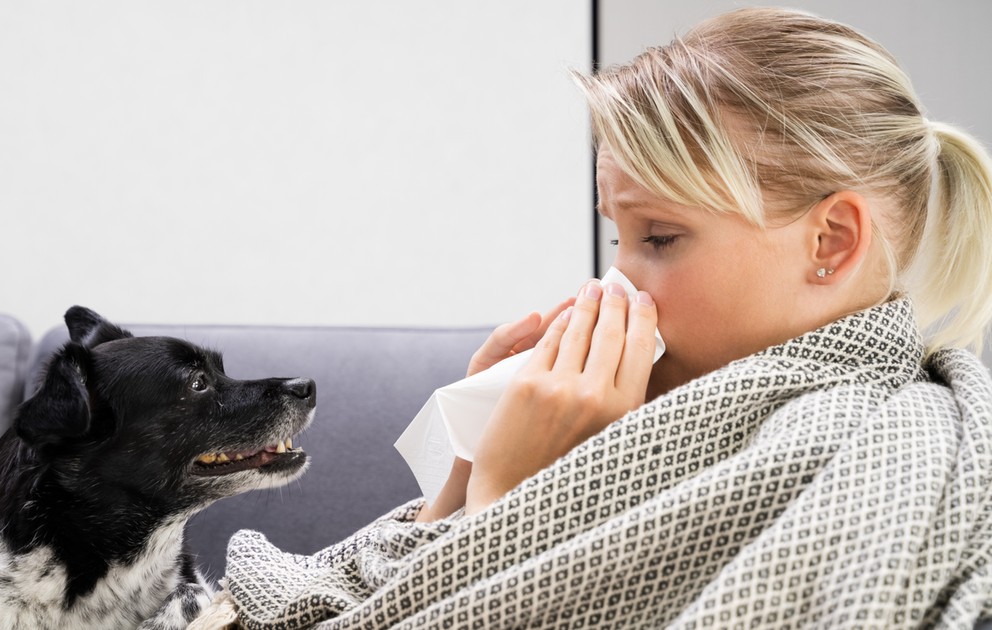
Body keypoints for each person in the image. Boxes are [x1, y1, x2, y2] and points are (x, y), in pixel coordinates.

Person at [200, 7, 992, 629]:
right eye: (619, 237)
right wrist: (465, 480)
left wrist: (512, 507)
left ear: (832, 242)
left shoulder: (865, 461)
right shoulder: (669, 414)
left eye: (661, 237)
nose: (615, 284)